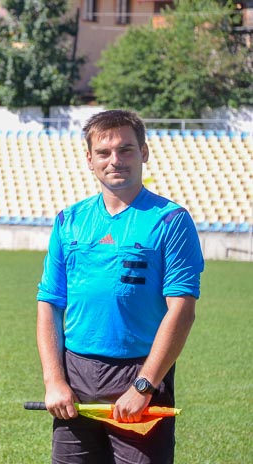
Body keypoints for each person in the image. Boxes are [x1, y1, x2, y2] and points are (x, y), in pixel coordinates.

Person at [36, 109, 205, 463]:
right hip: (76, 373)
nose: (115, 160)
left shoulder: (170, 221)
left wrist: (144, 385)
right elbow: (49, 304)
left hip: (139, 373)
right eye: (104, 152)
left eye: (126, 149)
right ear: (89, 160)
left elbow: (182, 311)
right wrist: (54, 380)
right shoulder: (69, 220)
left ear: (143, 152)